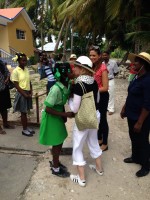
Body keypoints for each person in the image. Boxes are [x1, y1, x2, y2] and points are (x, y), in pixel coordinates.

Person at [68, 56, 103, 187]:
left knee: (77, 146)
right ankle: (99, 169)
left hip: (83, 119)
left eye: (76, 67)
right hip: (94, 116)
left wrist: (70, 101)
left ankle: (81, 178)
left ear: (82, 69)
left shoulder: (79, 85)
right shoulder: (93, 81)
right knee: (93, 141)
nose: (74, 68)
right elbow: (97, 100)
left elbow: (75, 108)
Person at [39, 62, 74, 178]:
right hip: (51, 116)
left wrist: (63, 115)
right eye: (70, 71)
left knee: (60, 139)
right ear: (64, 74)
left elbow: (62, 101)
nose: (72, 73)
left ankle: (56, 161)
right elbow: (48, 108)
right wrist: (64, 114)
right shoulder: (55, 89)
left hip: (58, 114)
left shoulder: (66, 84)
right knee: (57, 141)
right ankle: (55, 167)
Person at [120, 52, 150, 177]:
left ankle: (146, 165)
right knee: (133, 137)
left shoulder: (148, 80)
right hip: (131, 114)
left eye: (137, 62)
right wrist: (124, 108)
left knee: (142, 140)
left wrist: (140, 121)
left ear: (143, 65)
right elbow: (130, 94)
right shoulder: (137, 77)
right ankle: (135, 157)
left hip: (141, 117)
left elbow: (148, 103)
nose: (134, 63)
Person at [89, 46, 109, 151]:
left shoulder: (103, 68)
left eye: (94, 55)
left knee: (103, 119)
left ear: (99, 56)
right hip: (95, 96)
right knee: (98, 118)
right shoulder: (92, 67)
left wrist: (92, 91)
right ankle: (100, 138)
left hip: (102, 96)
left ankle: (105, 143)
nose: (92, 57)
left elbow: (105, 87)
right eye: (90, 55)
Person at [11, 53, 34, 137]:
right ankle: (24, 130)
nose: (25, 62)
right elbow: (16, 85)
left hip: (27, 92)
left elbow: (29, 81)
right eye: (23, 60)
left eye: (25, 60)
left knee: (26, 110)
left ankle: (26, 127)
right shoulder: (15, 71)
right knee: (23, 112)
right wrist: (24, 94)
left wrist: (31, 90)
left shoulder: (26, 69)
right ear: (19, 61)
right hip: (21, 93)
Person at [0, 60, 15, 134]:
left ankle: (5, 124)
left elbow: (7, 72)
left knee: (4, 108)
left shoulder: (1, 62)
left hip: (4, 88)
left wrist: (7, 78)